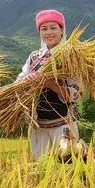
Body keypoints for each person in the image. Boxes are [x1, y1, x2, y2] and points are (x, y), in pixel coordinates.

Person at [17, 9, 81, 160]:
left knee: (67, 166)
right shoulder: (34, 57)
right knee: (41, 166)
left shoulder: (71, 56)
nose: (49, 32)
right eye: (44, 29)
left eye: (53, 27)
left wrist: (50, 84)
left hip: (62, 124)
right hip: (38, 124)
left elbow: (76, 94)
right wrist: (25, 82)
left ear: (61, 30)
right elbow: (20, 80)